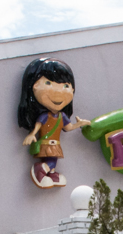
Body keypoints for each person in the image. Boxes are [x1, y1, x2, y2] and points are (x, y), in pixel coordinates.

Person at [17, 58, 91, 188]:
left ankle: (51, 174)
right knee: (50, 161)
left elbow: (68, 128)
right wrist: (32, 134)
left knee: (54, 162)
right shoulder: (45, 116)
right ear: (34, 85)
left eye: (65, 86)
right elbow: (38, 125)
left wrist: (79, 124)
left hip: (55, 144)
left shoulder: (62, 117)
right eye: (48, 83)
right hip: (46, 143)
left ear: (72, 90)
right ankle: (40, 169)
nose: (58, 92)